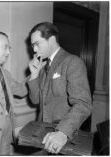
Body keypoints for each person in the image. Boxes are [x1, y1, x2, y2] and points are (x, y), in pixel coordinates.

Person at [27, 22, 92, 154]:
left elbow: (83, 104)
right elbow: (35, 100)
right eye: (33, 45)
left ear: (51, 40)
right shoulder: (45, 66)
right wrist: (34, 76)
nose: (34, 50)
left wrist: (62, 133)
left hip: (63, 140)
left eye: (37, 44)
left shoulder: (72, 62)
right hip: (44, 137)